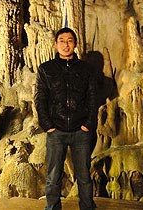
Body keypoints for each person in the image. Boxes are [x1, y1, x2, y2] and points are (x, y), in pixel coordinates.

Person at [34, 27, 97, 210]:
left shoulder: (86, 69)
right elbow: (40, 99)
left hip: (80, 130)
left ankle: (87, 207)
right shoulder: (46, 69)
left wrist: (88, 124)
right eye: (62, 41)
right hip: (57, 130)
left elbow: (93, 98)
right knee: (53, 176)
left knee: (84, 176)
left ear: (75, 44)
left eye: (70, 41)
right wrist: (48, 125)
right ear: (55, 44)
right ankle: (52, 208)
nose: (66, 44)